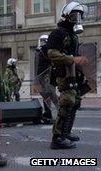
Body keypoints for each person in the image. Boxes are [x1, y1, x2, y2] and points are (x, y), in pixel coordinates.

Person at [47, 1, 88, 149]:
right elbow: (51, 53)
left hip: (73, 74)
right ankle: (57, 138)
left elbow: (73, 55)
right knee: (66, 103)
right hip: (63, 74)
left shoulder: (72, 35)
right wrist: (73, 59)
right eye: (74, 15)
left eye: (79, 15)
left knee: (75, 102)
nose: (77, 18)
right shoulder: (58, 33)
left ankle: (66, 133)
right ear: (66, 16)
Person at [35, 35, 59, 123]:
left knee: (52, 94)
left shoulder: (47, 49)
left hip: (48, 76)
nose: (42, 43)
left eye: (43, 41)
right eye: (41, 41)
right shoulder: (40, 51)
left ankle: (59, 114)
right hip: (42, 75)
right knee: (46, 95)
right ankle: (48, 112)